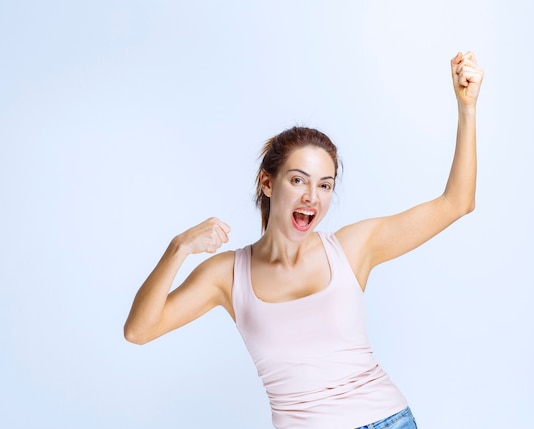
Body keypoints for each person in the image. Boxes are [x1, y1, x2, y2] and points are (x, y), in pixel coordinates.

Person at [124, 51, 484, 429]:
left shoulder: (352, 248)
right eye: (298, 180)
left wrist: (467, 109)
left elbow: (457, 202)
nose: (312, 196)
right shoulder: (227, 275)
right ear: (267, 183)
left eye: (324, 185)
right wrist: (178, 248)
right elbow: (139, 330)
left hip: (386, 420)